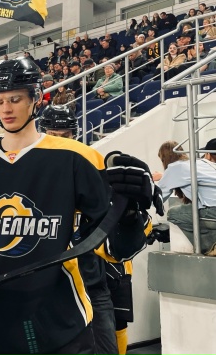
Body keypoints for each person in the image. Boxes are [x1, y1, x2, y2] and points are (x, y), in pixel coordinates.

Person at [0, 57, 161, 355]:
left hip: (61, 319)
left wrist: (128, 216)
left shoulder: (76, 157)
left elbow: (115, 250)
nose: (6, 108)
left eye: (15, 99)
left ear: (35, 98)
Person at [38, 104, 157, 355]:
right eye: (53, 135)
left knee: (111, 337)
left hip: (94, 279)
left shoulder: (94, 168)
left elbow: (122, 234)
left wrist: (132, 212)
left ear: (75, 134)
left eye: (65, 135)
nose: (60, 141)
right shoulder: (30, 176)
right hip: (46, 285)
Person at [154, 139, 216, 254]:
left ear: (164, 159)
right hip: (213, 210)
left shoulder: (174, 168)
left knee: (173, 214)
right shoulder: (199, 162)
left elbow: (158, 197)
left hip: (212, 213)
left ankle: (209, 247)